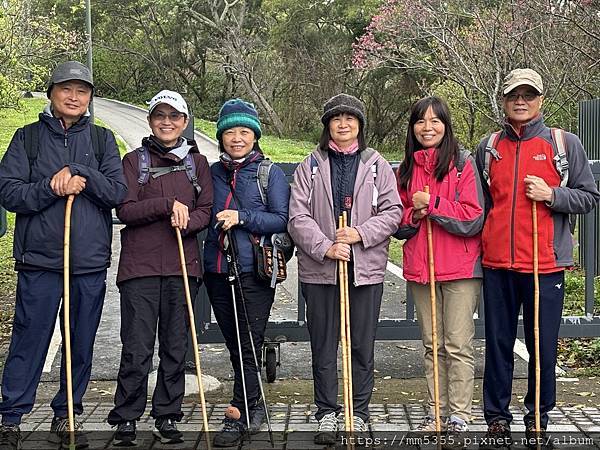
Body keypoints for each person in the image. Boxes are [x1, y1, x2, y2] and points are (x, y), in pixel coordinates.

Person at [0, 61, 127, 450]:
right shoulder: (27, 139)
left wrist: (78, 171)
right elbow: (9, 192)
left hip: (87, 261)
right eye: (66, 89)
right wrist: (51, 188)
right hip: (39, 260)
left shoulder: (104, 141)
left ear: (90, 97)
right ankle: (11, 415)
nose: (74, 97)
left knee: (80, 341)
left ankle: (66, 412)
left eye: (82, 91)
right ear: (52, 92)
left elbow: (116, 193)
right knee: (29, 337)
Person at [476, 69, 600, 449]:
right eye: (515, 95)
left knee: (542, 344)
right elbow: (481, 203)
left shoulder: (564, 144)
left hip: (544, 266)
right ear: (504, 99)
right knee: (497, 342)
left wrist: (551, 195)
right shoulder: (489, 146)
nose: (521, 101)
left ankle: (537, 417)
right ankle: (497, 418)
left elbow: (588, 197)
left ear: (541, 99)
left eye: (529, 95)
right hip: (497, 263)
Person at [288, 93, 402, 445]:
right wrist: (326, 246)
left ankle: (359, 411)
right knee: (323, 345)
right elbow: (297, 217)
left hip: (364, 269)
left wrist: (359, 234)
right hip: (320, 270)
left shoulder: (376, 164)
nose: (343, 123)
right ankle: (326, 412)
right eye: (336, 118)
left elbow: (392, 212)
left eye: (350, 118)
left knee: (362, 345)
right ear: (327, 126)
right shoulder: (309, 164)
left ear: (360, 125)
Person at [106, 90, 213, 446]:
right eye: (159, 116)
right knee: (137, 348)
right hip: (140, 268)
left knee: (175, 346)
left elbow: (206, 211)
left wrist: (188, 220)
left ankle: (167, 415)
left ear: (184, 122)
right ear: (151, 120)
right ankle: (126, 417)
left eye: (174, 116)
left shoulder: (197, 164)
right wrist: (167, 205)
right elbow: (125, 210)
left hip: (184, 268)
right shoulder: (133, 161)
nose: (166, 122)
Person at [395, 96, 484, 447]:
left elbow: (472, 216)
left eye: (434, 121)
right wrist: (413, 214)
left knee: (457, 343)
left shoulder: (462, 164)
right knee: (432, 345)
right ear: (413, 127)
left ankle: (460, 413)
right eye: (420, 121)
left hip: (460, 268)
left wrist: (431, 204)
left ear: (446, 125)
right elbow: (397, 219)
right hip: (422, 267)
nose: (427, 127)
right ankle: (436, 410)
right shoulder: (405, 169)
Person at [203, 99, 290, 447]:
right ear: (221, 135)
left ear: (254, 135)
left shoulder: (269, 174)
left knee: (248, 344)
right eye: (230, 132)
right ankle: (251, 406)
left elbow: (283, 219)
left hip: (254, 270)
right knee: (234, 343)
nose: (236, 138)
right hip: (217, 270)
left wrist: (242, 217)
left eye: (244, 131)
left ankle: (242, 410)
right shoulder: (211, 172)